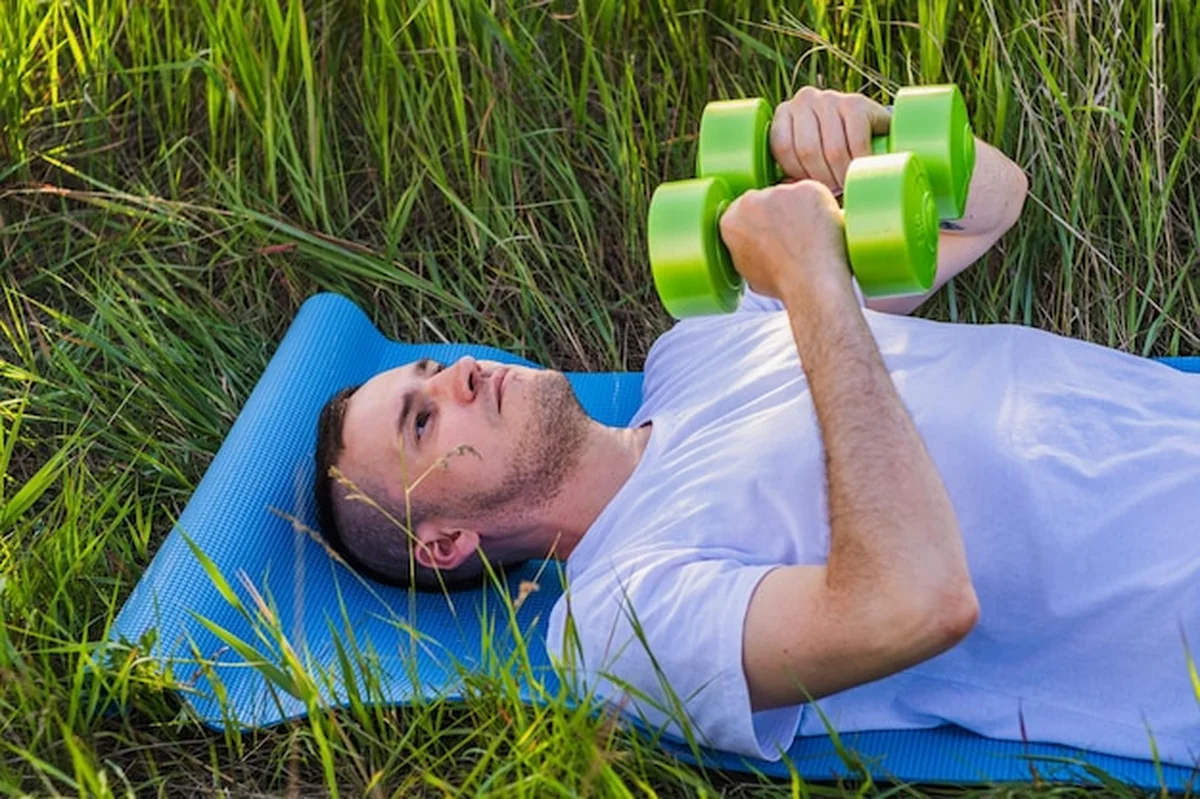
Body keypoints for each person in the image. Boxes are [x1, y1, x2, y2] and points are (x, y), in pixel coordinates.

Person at [312, 88, 1200, 768]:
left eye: (433, 367)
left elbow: (998, 200)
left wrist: (875, 137)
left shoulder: (698, 343)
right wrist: (813, 279)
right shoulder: (616, 621)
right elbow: (918, 601)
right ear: (445, 542)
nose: (463, 370)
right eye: (424, 419)